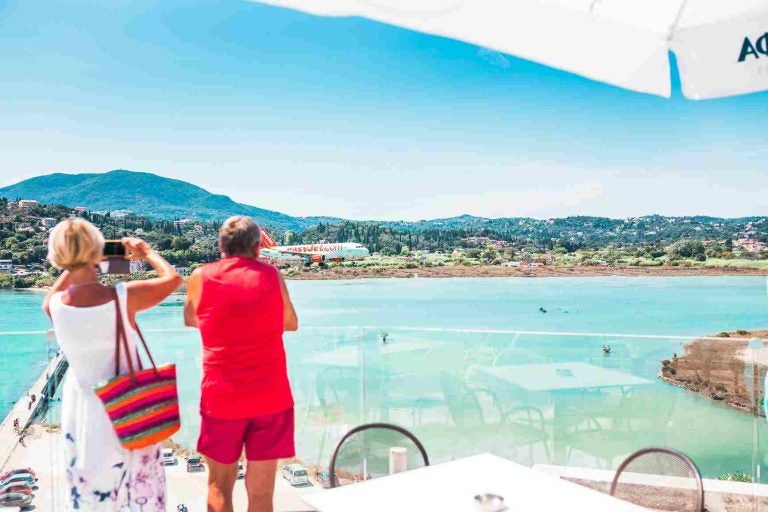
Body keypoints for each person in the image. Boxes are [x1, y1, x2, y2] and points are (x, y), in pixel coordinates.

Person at [43, 218, 181, 511]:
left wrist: (82, 257)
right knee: (137, 491)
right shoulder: (123, 297)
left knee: (93, 492)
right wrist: (147, 252)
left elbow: (61, 285)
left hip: (82, 409)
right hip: (127, 405)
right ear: (95, 252)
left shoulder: (54, 305)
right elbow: (173, 279)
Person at [184, 216, 298, 512]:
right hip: (270, 396)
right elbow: (290, 322)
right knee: (262, 495)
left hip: (222, 396)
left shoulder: (201, 276)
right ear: (258, 247)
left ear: (221, 246)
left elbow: (190, 318)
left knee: (219, 486)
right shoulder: (272, 276)